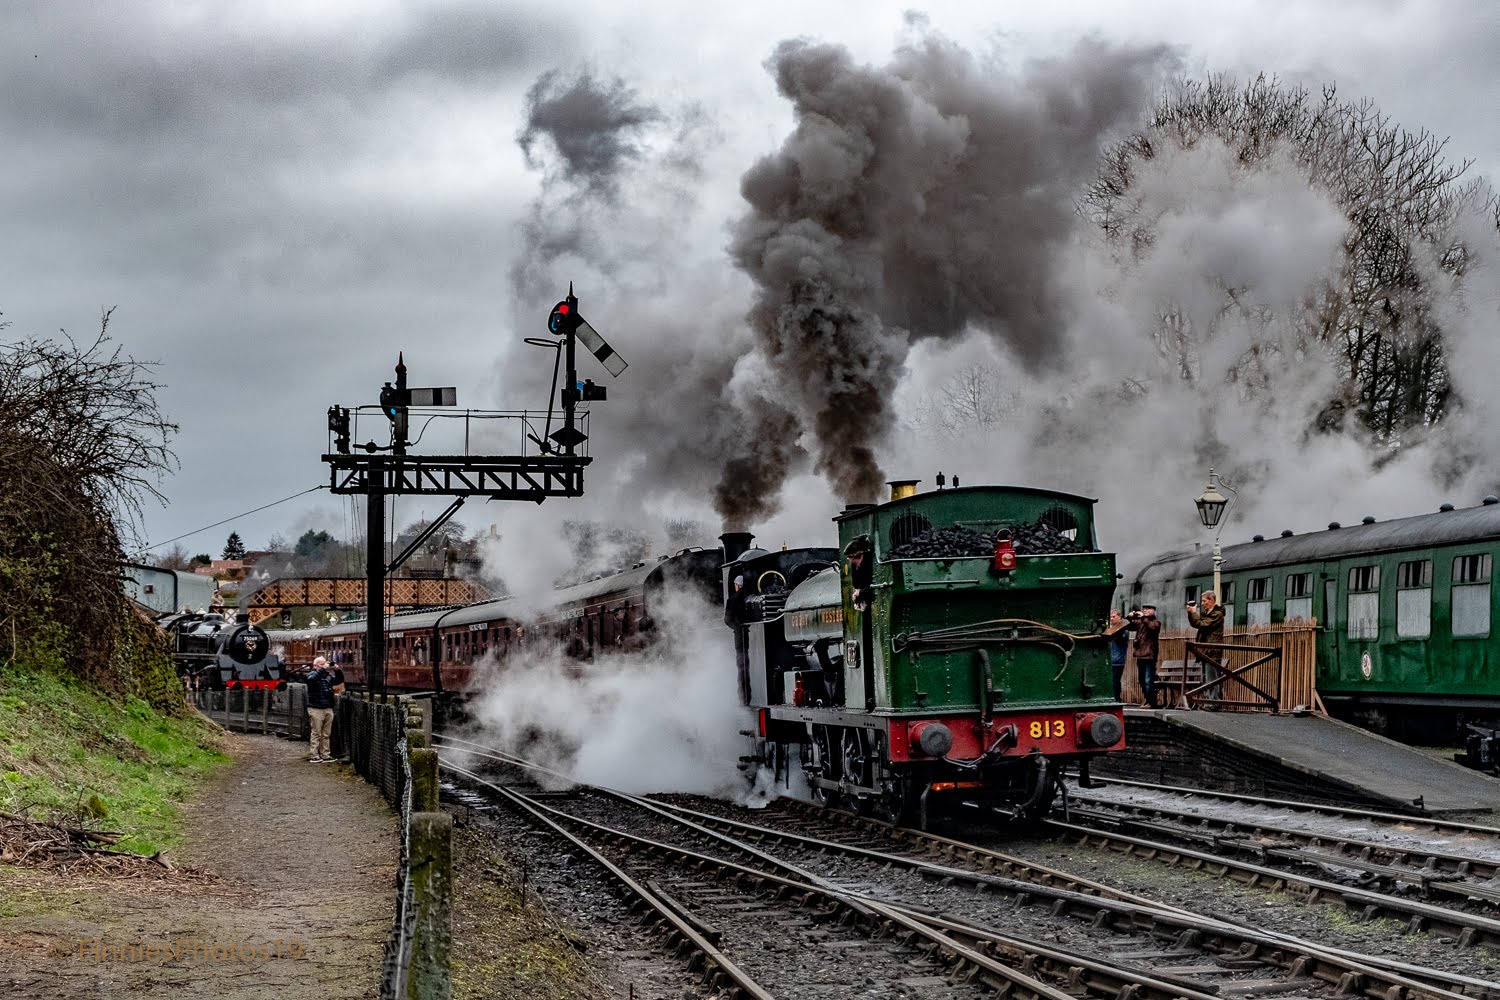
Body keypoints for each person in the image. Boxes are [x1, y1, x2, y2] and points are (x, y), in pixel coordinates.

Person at [302, 655, 345, 763]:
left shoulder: (327, 676)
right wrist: (323, 669)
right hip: (316, 708)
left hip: (328, 707)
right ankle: (314, 755)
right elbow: (312, 680)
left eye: (325, 664)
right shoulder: (310, 675)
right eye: (321, 664)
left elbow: (339, 680)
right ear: (315, 666)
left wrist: (337, 670)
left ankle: (325, 754)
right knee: (316, 733)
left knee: (326, 734)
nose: (324, 666)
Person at [1187, 591, 1227, 701]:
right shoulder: (1208, 613)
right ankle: (1208, 701)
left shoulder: (1217, 615)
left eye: (1204, 601)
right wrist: (1191, 613)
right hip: (1205, 650)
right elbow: (1196, 623)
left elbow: (1202, 624)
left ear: (1211, 600)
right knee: (1205, 678)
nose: (1203, 603)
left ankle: (1213, 702)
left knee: (1211, 678)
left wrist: (1194, 613)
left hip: (1212, 651)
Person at [1128, 605, 1162, 708]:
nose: (1145, 610)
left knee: (1148, 680)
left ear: (1154, 611)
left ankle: (1151, 702)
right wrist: (1130, 617)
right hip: (1140, 655)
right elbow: (1130, 626)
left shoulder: (1156, 622)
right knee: (1142, 680)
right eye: (1144, 609)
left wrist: (1143, 617)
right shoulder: (1142, 622)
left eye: (1148, 609)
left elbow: (1152, 627)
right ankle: (1147, 699)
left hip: (1150, 655)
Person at [1104, 609, 1131, 701]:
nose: (1111, 619)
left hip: (1117, 660)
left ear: (1120, 617)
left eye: (1114, 616)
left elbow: (1119, 637)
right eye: (1110, 617)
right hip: (1111, 659)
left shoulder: (1123, 631)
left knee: (1115, 681)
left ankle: (1116, 698)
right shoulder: (1112, 630)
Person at [844, 536, 874, 612]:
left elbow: (872, 583)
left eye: (848, 558)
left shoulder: (869, 564)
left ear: (853, 556)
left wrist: (860, 592)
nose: (849, 560)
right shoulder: (855, 567)